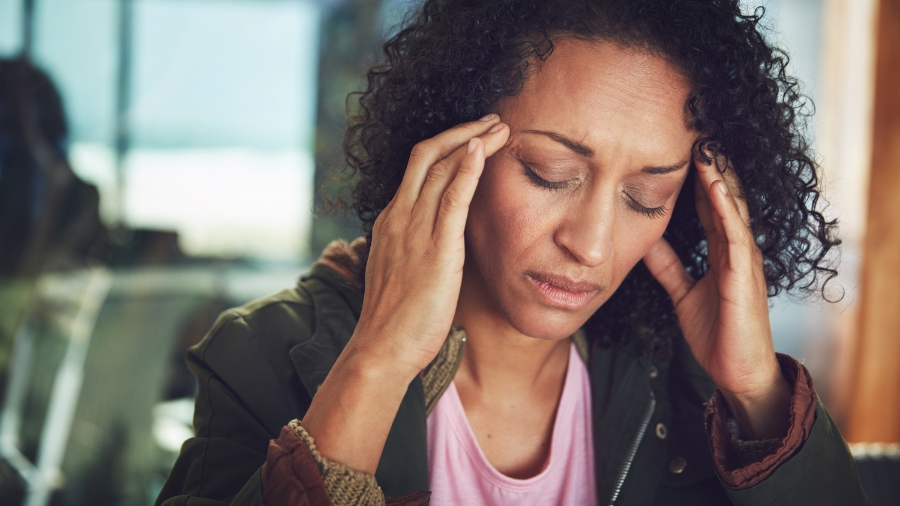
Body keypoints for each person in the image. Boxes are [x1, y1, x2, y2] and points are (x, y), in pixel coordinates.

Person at [156, 0, 869, 504]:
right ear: (456, 143)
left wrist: (755, 392)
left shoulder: (693, 385)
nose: (590, 244)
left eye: (646, 198)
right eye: (549, 174)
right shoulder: (262, 355)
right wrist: (376, 364)